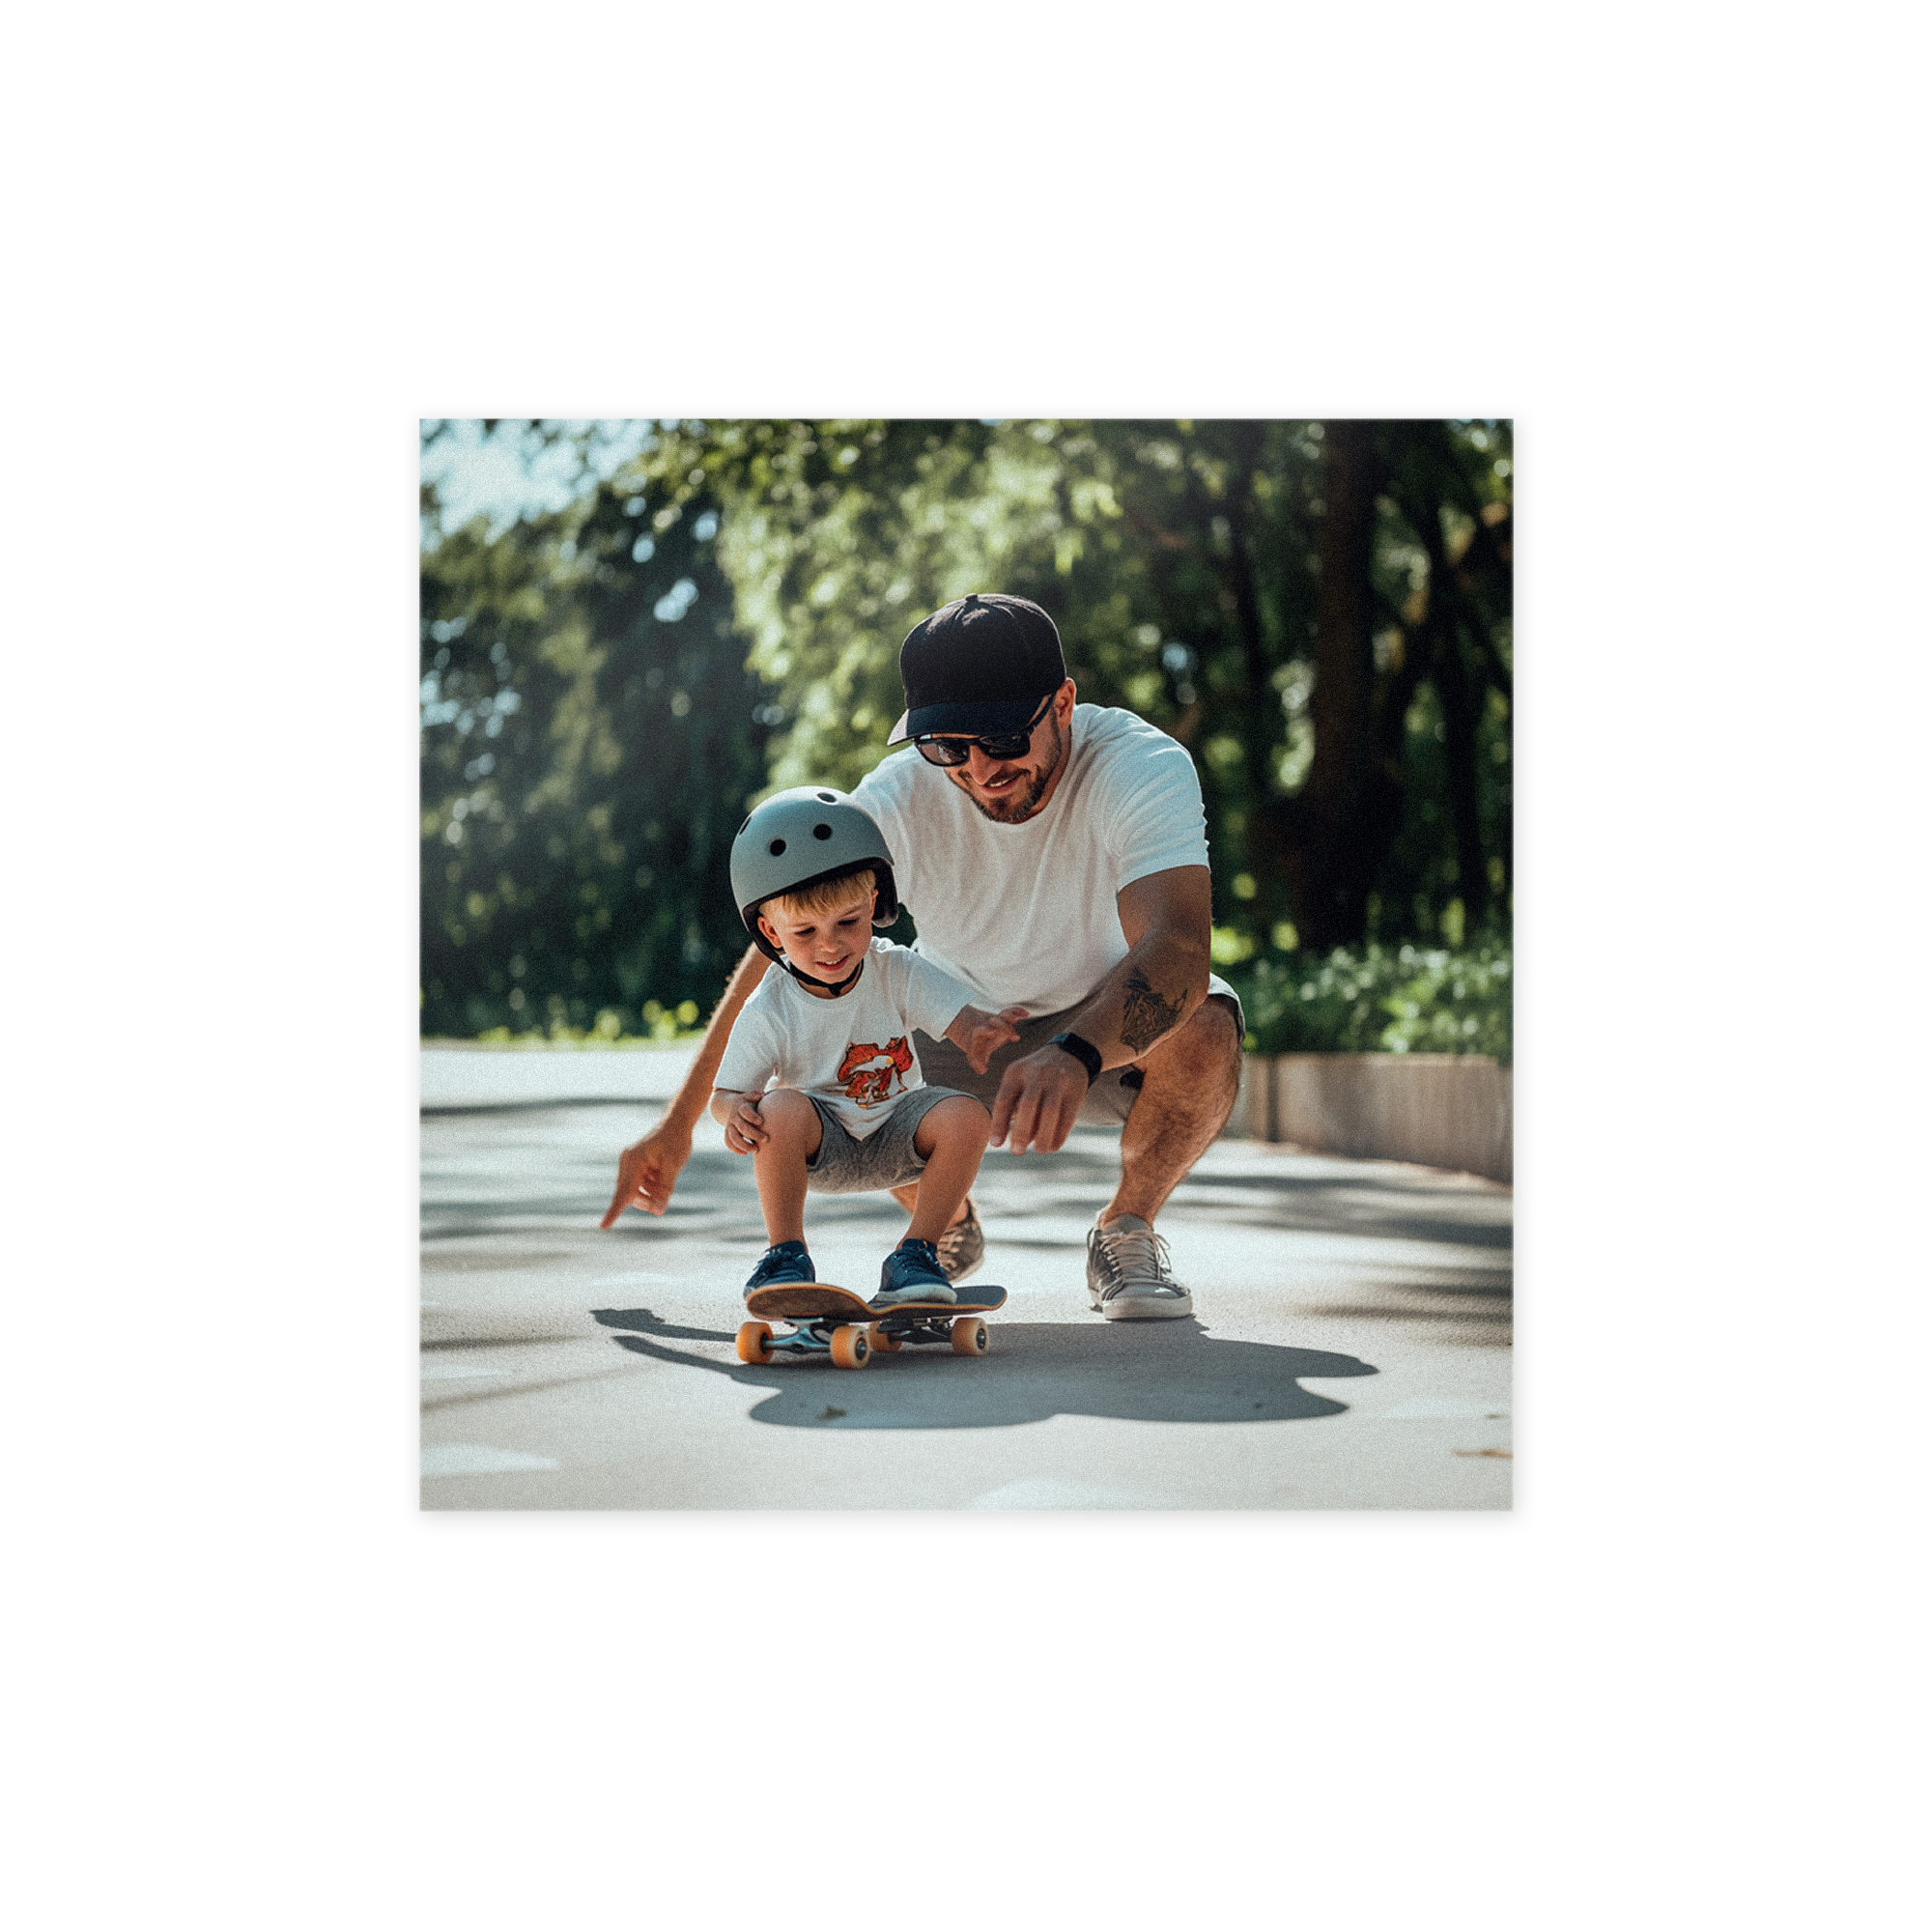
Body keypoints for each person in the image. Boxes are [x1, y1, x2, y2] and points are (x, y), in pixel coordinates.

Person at [602, 591, 1244, 1320]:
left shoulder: (1138, 766)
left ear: (1063, 703)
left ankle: (1125, 1228)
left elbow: (1179, 947)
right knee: (818, 1031)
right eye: (947, 748)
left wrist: (1075, 1050)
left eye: (1004, 738)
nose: (979, 769)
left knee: (1206, 1026)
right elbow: (781, 956)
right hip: (951, 1026)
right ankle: (943, 1227)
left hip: (1103, 1029)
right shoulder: (897, 800)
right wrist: (678, 1124)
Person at [709, 784, 1025, 1308]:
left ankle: (917, 1253)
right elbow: (725, 1095)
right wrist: (735, 1113)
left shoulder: (894, 969)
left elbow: (958, 1018)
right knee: (779, 1106)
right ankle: (785, 1255)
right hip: (822, 1144)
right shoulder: (770, 1008)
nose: (830, 945)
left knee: (967, 1116)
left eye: (847, 923)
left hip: (899, 1131)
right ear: (770, 931)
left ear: (874, 903)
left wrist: (980, 1031)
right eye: (805, 931)